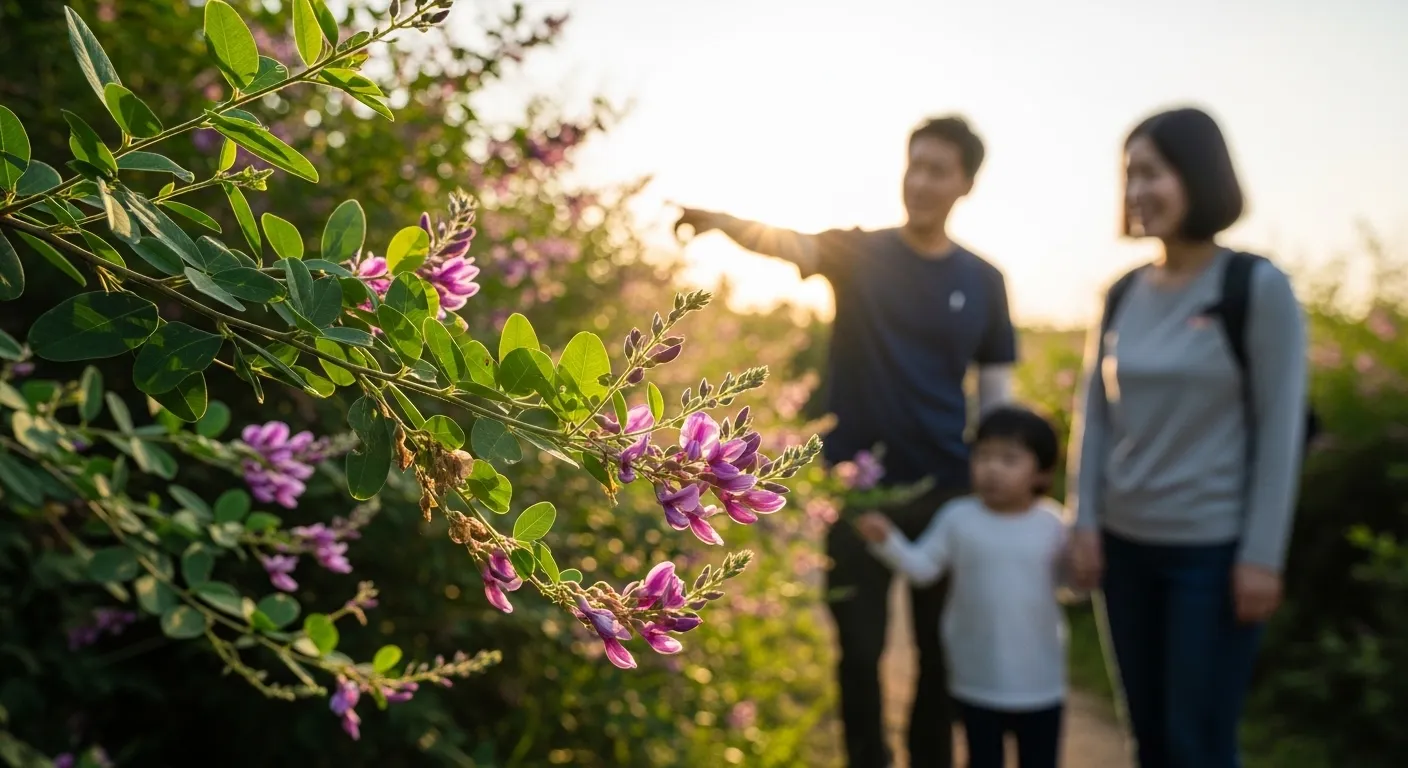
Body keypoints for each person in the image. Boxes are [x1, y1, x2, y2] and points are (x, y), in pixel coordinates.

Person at [676, 115, 1017, 768]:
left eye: (937, 169)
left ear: (966, 184)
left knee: (940, 655)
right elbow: (784, 243)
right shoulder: (860, 253)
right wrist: (716, 218)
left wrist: (1000, 486)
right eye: (913, 164)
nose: (919, 181)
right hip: (855, 496)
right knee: (860, 655)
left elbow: (998, 399)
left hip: (949, 492)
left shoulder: (984, 281)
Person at [1064, 107, 1310, 768]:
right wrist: (1083, 522)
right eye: (1129, 176)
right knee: (1147, 739)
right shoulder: (1119, 295)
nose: (1138, 191)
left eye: (1153, 172)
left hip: (1213, 555)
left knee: (1197, 743)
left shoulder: (1255, 287)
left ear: (1198, 174)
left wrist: (1263, 557)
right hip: (1123, 551)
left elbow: (1281, 430)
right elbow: (1094, 420)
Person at [856, 406, 1069, 768]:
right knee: (981, 757)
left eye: (1009, 459)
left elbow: (1072, 589)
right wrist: (886, 540)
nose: (992, 468)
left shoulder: (1054, 524)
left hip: (1040, 681)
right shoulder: (958, 517)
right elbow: (922, 569)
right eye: (983, 456)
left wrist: (1086, 570)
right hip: (975, 678)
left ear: (1043, 471)